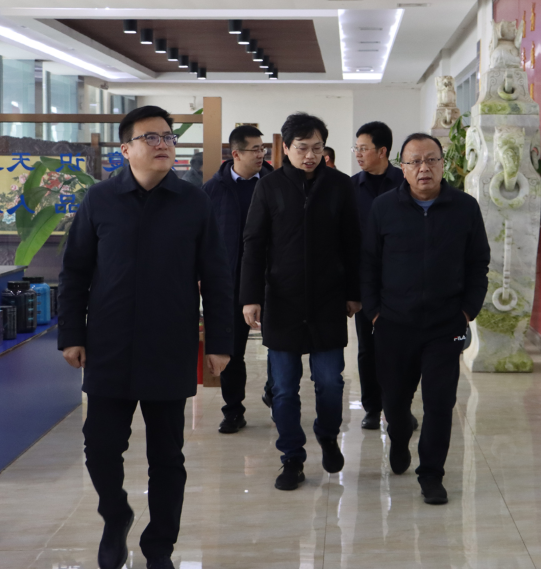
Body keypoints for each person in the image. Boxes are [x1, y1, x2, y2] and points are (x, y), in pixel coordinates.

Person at [58, 105, 233, 568]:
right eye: (150, 137)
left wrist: (219, 342)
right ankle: (115, 515)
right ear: (126, 149)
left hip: (169, 344)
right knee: (100, 447)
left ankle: (160, 549)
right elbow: (75, 271)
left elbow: (217, 275)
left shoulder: (193, 202)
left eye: (168, 137)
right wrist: (72, 333)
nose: (163, 145)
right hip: (109, 344)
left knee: (167, 457)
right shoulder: (100, 200)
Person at [361, 133, 490, 505]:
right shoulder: (384, 208)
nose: (424, 168)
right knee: (395, 402)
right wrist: (375, 313)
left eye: (431, 160)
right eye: (415, 161)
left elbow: (478, 263)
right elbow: (368, 264)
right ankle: (399, 436)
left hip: (444, 325)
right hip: (393, 325)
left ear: (442, 164)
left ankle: (432, 474)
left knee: (439, 403)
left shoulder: (465, 208)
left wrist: (466, 311)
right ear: (402, 167)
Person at [240, 112, 362, 490]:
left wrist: (354, 292)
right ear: (287, 148)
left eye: (317, 148)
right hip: (283, 300)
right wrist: (250, 297)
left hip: (328, 299)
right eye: (302, 148)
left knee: (330, 382)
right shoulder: (269, 187)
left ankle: (327, 434)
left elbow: (353, 242)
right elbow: (254, 243)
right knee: (283, 388)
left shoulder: (340, 185)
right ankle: (291, 457)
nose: (310, 155)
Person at [202, 125, 274, 433]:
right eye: (254, 149)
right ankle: (233, 410)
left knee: (280, 346)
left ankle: (275, 392)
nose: (261, 155)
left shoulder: (276, 184)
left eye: (263, 149)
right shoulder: (211, 190)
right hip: (229, 283)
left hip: (272, 281)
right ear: (236, 154)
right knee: (232, 350)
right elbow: (201, 240)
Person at [349, 121, 411, 431]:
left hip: (403, 282)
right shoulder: (350, 187)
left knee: (403, 349)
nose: (358, 154)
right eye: (356, 148)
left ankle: (400, 408)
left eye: (364, 148)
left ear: (382, 151)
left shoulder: (405, 183)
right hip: (366, 283)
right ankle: (372, 408)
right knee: (367, 348)